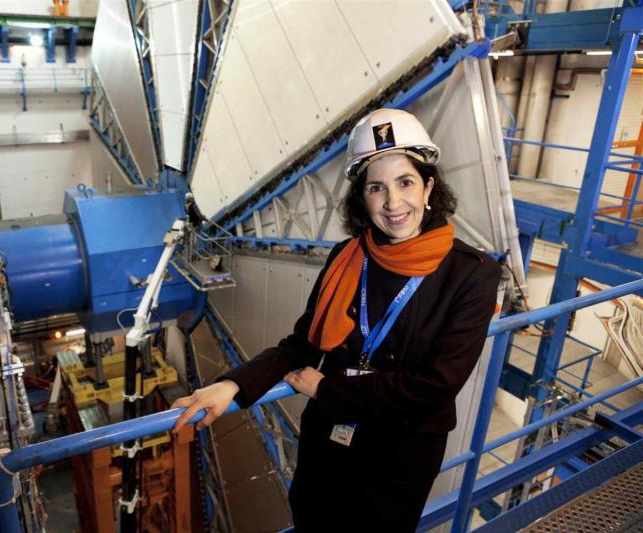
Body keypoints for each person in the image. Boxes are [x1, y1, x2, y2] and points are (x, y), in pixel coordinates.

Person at [171, 108, 502, 531]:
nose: (393, 202)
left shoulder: (470, 274)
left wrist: (330, 389)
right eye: (376, 188)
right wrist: (233, 384)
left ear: (429, 187)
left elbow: (435, 385)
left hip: (397, 456)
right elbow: (302, 344)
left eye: (406, 183)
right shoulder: (348, 258)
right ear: (362, 198)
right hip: (328, 447)